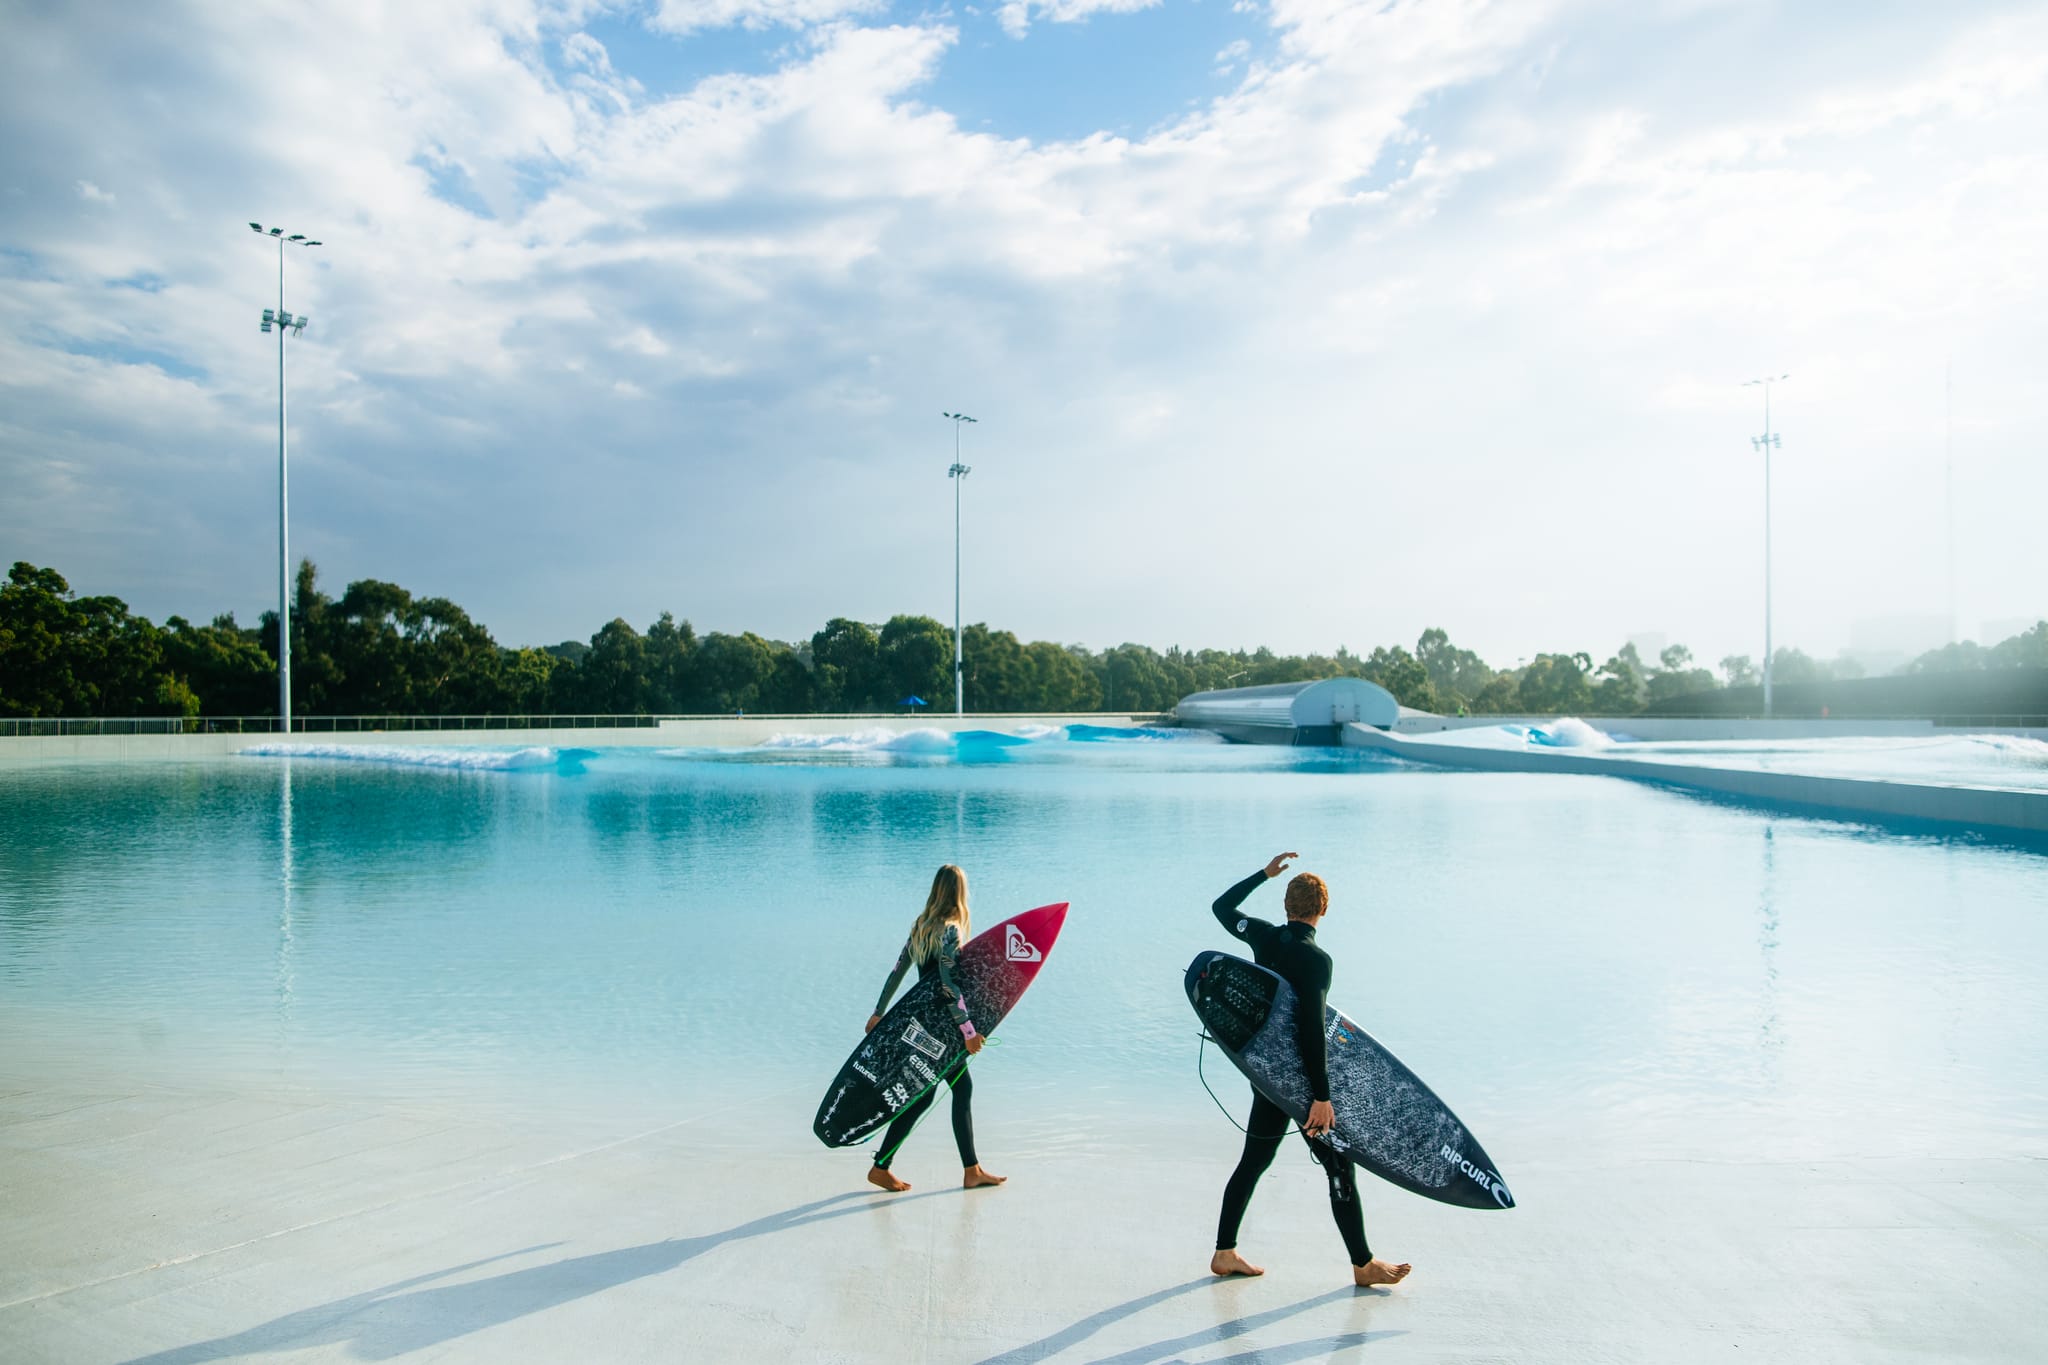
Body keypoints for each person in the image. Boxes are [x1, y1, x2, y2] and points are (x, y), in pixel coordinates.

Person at [1208, 851, 1411, 1288]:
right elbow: (1312, 1030)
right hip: (1300, 1085)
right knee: (1338, 1166)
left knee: (1254, 1160)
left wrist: (1263, 873)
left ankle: (1225, 1252)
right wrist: (1320, 1097)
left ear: (1287, 907)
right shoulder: (1317, 962)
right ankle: (1363, 1264)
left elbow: (1222, 908)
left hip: (1265, 1076)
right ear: (1324, 909)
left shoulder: (1263, 938)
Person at [863, 864, 1007, 1193]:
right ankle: (970, 1170)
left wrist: (878, 1012)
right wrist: (969, 1032)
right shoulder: (951, 929)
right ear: (960, 892)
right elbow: (947, 986)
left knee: (926, 1096)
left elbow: (898, 970)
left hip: (920, 1024)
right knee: (958, 1089)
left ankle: (883, 1166)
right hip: (945, 1028)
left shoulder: (922, 926)